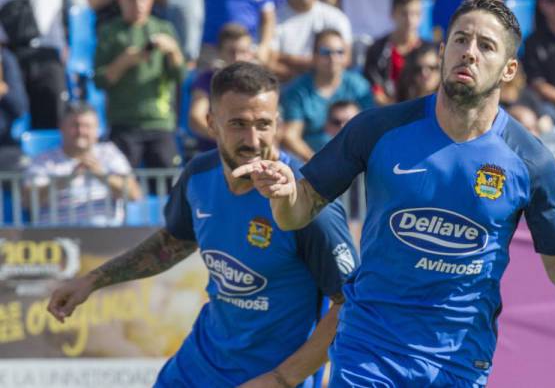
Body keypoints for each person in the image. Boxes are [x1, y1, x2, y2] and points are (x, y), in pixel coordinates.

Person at [236, 0, 555, 387]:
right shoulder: (377, 128)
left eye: (486, 46)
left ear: (509, 69)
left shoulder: (530, 160)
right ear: (444, 50)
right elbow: (296, 213)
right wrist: (286, 194)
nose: (470, 53)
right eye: (461, 40)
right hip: (369, 347)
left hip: (459, 357)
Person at [47, 62, 358, 387]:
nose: (253, 139)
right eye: (238, 123)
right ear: (211, 123)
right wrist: (93, 280)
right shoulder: (198, 177)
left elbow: (351, 303)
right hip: (198, 367)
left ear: (278, 123)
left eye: (263, 124)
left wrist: (283, 378)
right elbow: (172, 243)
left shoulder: (306, 203)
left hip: (269, 379)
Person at [93, 0, 185, 169]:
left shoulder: (164, 28)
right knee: (123, 185)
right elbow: (99, 81)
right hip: (124, 123)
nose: (138, 3)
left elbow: (180, 76)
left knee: (169, 184)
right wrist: (123, 62)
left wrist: (174, 51)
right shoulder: (110, 32)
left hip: (160, 122)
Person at [23, 102, 142, 226]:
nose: (80, 131)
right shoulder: (43, 159)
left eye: (87, 126)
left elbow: (134, 194)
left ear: (97, 129)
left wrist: (101, 175)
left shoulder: (109, 153)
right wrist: (62, 182)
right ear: (61, 127)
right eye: (75, 125)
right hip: (56, 237)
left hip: (106, 237)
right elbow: (27, 201)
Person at [281, 29, 373, 161]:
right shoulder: (298, 90)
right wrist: (317, 163)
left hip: (355, 162)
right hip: (309, 162)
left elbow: (369, 128)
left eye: (339, 52)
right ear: (314, 56)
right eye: (326, 52)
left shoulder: (359, 86)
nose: (333, 58)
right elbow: (291, 135)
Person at [189, 23, 257, 152]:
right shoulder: (207, 79)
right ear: (220, 52)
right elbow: (196, 118)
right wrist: (227, 141)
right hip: (214, 154)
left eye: (243, 52)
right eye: (231, 52)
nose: (237, 58)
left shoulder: (261, 83)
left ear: (251, 53)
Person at [270, 0, 352, 81]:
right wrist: (305, 77)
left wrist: (285, 58)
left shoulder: (336, 18)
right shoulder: (271, 19)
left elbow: (346, 58)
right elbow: (268, 61)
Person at [363, 0, 432, 106]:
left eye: (415, 14)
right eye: (404, 13)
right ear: (392, 14)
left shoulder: (429, 52)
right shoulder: (377, 49)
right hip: (388, 111)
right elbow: (374, 88)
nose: (410, 20)